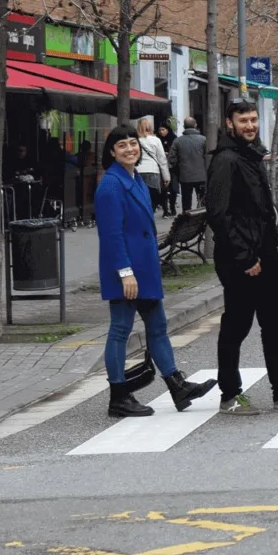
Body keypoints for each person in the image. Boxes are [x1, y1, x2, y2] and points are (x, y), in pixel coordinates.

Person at [95, 125, 216, 418]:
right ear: (111, 152)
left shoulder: (133, 178)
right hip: (127, 271)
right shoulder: (111, 184)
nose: (129, 149)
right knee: (121, 330)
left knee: (158, 327)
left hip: (144, 269)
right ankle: (118, 397)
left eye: (132, 144)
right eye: (121, 146)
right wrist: (125, 273)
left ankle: (177, 386)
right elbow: (111, 235)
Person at [207, 99, 278, 416]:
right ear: (229, 123)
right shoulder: (226, 160)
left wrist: (271, 242)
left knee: (276, 324)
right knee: (236, 326)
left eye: (253, 120)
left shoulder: (249, 155)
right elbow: (218, 215)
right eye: (243, 121)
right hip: (243, 259)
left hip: (264, 252)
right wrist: (245, 257)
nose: (250, 125)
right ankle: (230, 395)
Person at [170, 118, 209, 212]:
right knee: (203, 201)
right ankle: (202, 220)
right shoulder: (204, 140)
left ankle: (187, 221)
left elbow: (172, 159)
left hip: (185, 176)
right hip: (202, 176)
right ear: (195, 125)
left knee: (186, 202)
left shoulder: (177, 141)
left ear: (184, 126)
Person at [135, 118, 170, 217]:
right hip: (153, 171)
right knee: (152, 198)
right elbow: (162, 159)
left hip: (138, 171)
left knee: (139, 197)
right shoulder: (156, 140)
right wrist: (166, 177)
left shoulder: (136, 141)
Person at [155, 123, 178, 217]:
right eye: (160, 130)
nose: (161, 132)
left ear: (168, 129)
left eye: (163, 130)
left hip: (173, 167)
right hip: (161, 167)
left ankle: (172, 207)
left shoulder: (174, 138)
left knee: (173, 189)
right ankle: (165, 210)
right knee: (163, 189)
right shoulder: (157, 140)